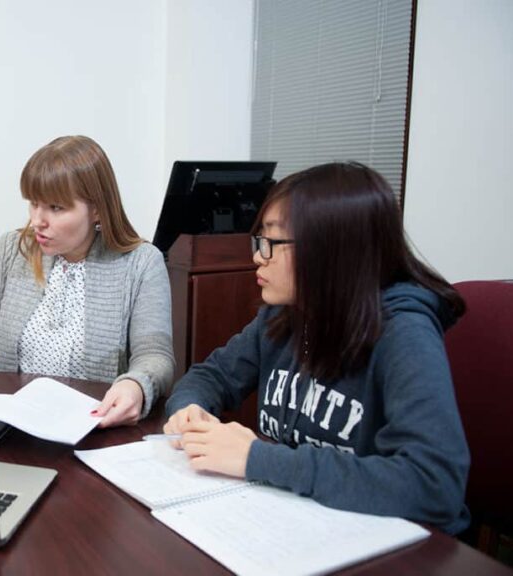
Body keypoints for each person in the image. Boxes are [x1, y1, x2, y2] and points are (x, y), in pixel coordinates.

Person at [163, 162, 470, 534]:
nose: (258, 256)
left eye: (272, 242)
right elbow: (211, 376)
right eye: (259, 240)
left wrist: (259, 459)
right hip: (305, 520)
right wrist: (190, 409)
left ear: (332, 249)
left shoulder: (404, 333)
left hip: (399, 545)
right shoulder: (283, 316)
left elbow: (433, 485)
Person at [0, 135, 175, 427]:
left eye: (56, 208)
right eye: (34, 204)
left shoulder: (142, 263)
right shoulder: (10, 250)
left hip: (94, 430)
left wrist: (135, 385)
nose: (37, 221)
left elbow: (155, 356)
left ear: (96, 208)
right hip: (14, 428)